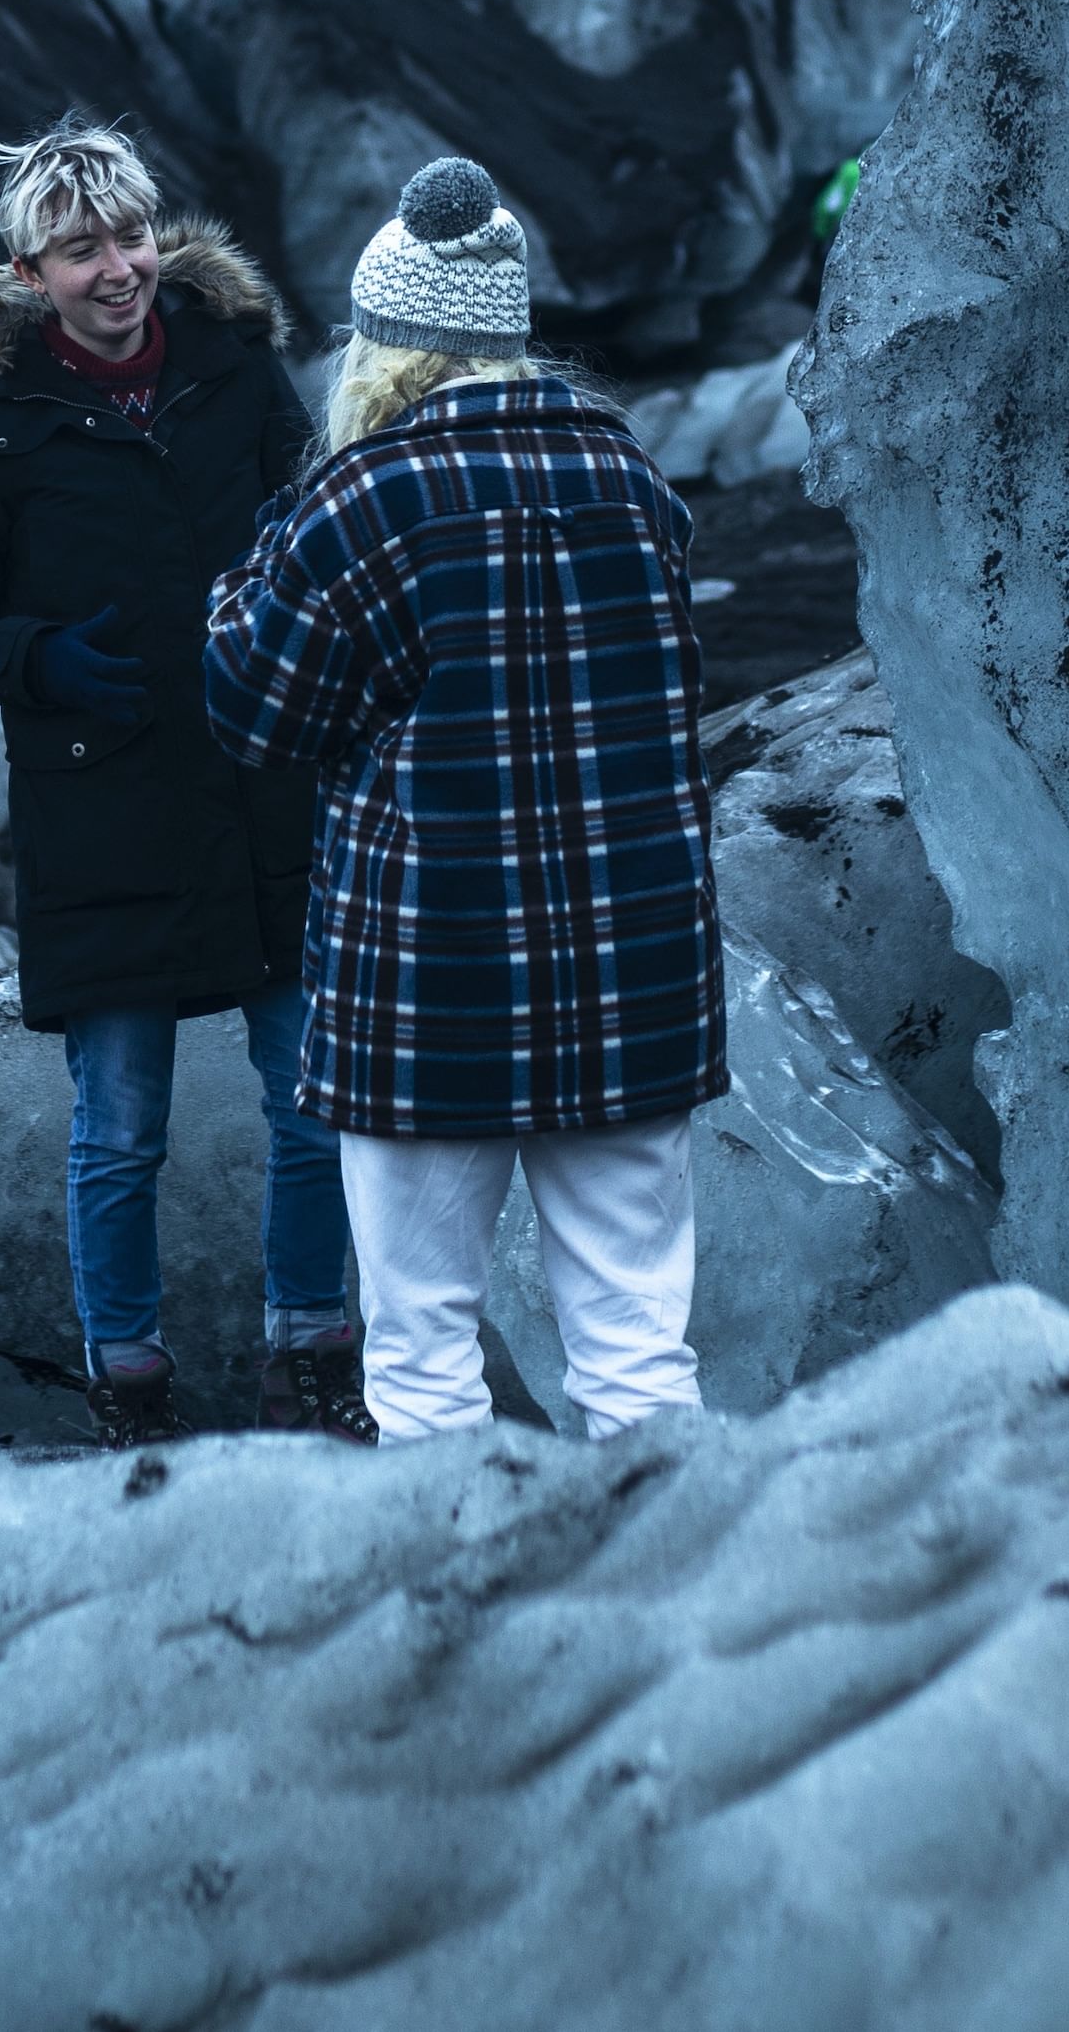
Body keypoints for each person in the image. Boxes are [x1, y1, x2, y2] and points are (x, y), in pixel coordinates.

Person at [204, 153, 719, 1443]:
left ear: (387, 348)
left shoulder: (365, 501)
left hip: (432, 974)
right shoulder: (632, 485)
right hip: (630, 964)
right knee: (638, 1344)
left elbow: (252, 710)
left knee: (424, 1353)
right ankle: (679, 1598)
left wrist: (256, 559)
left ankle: (463, 1626)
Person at [0, 111, 360, 1444]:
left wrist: (308, 646)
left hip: (265, 783)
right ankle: (131, 1389)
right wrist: (39, 661)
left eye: (133, 236)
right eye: (80, 249)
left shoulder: (237, 374)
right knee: (119, 1134)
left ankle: (310, 1361)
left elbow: (312, 537)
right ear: (29, 274)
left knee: (317, 1099)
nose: (119, 268)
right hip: (104, 807)